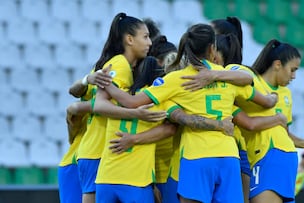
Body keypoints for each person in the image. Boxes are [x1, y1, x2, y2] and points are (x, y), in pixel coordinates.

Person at [94, 23, 280, 203]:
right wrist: (273, 98)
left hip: (196, 156)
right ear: (212, 48)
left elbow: (131, 102)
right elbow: (250, 82)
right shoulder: (229, 77)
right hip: (228, 155)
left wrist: (106, 83)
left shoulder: (177, 79)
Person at [182, 39, 304, 203]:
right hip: (266, 155)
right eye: (292, 70)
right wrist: (213, 74)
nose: (294, 76)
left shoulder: (286, 94)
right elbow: (234, 75)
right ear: (277, 65)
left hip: (280, 155)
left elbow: (283, 130)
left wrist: (301, 142)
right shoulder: (249, 77)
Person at [75, 12, 167, 203]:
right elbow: (100, 104)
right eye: (145, 37)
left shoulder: (124, 66)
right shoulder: (120, 65)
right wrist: (134, 113)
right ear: (129, 39)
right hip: (98, 150)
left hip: (105, 151)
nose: (150, 42)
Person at [58, 68, 112, 203]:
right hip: (78, 160)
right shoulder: (101, 76)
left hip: (99, 159)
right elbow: (73, 91)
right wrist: (86, 79)